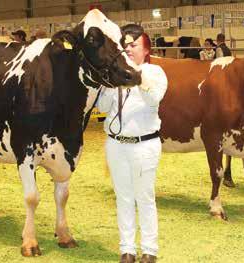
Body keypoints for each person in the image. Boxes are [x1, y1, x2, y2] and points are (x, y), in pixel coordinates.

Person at [97, 24, 167, 263]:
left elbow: (153, 98)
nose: (128, 49)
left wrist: (135, 76)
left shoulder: (155, 72)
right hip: (116, 144)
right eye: (125, 45)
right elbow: (103, 108)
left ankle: (150, 250)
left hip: (144, 145)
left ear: (146, 50)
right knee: (123, 197)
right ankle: (127, 248)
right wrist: (109, 83)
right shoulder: (114, 74)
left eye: (134, 45)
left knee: (144, 197)